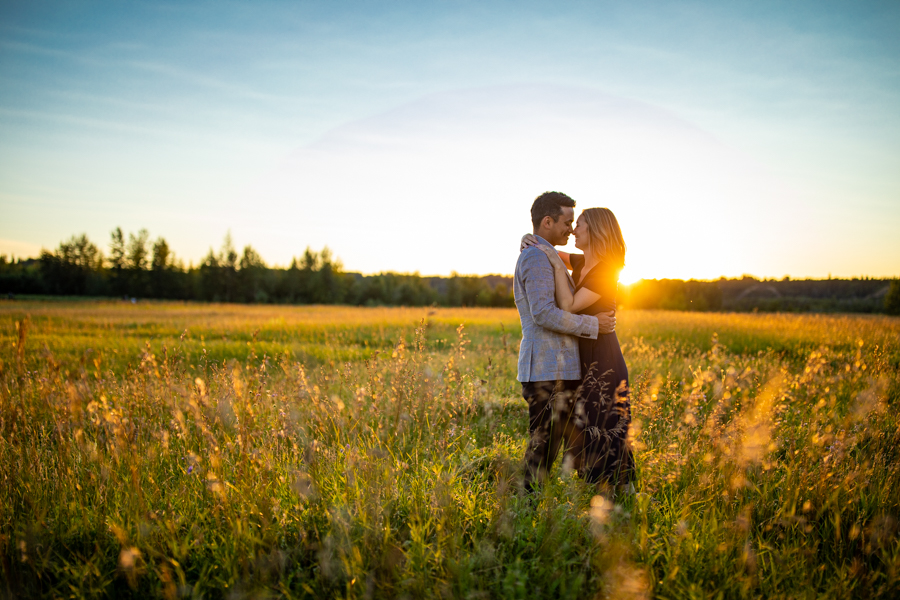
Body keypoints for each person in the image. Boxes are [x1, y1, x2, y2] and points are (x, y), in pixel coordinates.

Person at [524, 207, 634, 488]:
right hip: (583, 354)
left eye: (580, 225)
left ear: (595, 230)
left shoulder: (606, 269)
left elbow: (569, 306)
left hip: (603, 354)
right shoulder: (583, 261)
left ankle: (621, 489)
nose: (573, 230)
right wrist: (529, 238)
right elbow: (546, 248)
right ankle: (603, 490)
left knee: (606, 423)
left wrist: (551, 257)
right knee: (587, 423)